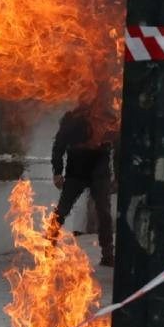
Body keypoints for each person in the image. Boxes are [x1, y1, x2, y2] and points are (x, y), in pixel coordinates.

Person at [50, 100, 116, 267]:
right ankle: (48, 247)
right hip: (76, 173)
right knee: (62, 210)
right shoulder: (72, 119)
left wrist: (118, 175)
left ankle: (107, 254)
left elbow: (120, 146)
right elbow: (59, 145)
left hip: (100, 174)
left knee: (104, 213)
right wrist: (57, 171)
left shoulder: (107, 117)